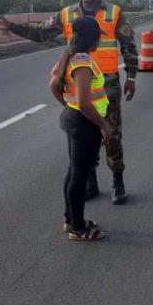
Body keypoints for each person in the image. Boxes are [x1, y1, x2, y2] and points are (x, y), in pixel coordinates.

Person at [0, 0, 137, 205]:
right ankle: (90, 181)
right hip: (76, 85)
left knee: (111, 134)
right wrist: (11, 26)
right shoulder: (66, 14)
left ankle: (118, 180)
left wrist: (131, 77)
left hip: (107, 85)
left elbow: (128, 45)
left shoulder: (114, 13)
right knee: (84, 136)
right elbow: (40, 34)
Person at [50, 16, 109, 241]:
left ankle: (71, 220)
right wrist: (103, 126)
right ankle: (78, 228)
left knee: (74, 172)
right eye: (98, 37)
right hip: (85, 123)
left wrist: (69, 106)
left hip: (74, 119)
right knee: (79, 176)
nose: (99, 41)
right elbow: (85, 103)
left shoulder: (68, 56)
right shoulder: (82, 63)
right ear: (91, 38)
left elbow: (53, 86)